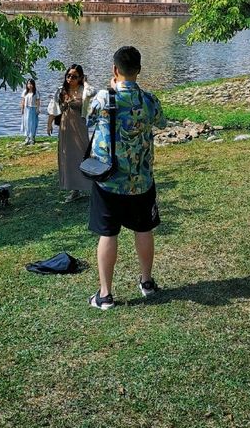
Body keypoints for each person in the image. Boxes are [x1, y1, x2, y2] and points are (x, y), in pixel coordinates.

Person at [86, 46, 167, 310]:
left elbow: (87, 120)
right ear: (139, 70)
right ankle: (146, 282)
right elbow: (162, 122)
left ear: (114, 70)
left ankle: (105, 295)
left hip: (109, 179)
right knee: (144, 229)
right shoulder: (148, 100)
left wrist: (110, 90)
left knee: (108, 234)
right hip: (141, 178)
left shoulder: (103, 98)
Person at [47, 64, 97, 203]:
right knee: (67, 155)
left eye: (74, 76)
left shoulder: (84, 90)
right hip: (65, 127)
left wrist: (85, 82)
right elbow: (53, 108)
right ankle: (74, 189)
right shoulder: (61, 91)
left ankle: (89, 185)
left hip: (80, 127)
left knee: (82, 154)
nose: (70, 79)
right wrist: (49, 124)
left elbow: (94, 92)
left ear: (80, 77)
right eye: (68, 75)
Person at [20, 79, 40, 144]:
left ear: (33, 85)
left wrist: (37, 109)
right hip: (26, 109)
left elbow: (38, 101)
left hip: (33, 109)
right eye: (28, 84)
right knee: (26, 123)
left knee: (33, 123)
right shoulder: (25, 92)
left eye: (31, 84)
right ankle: (27, 137)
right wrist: (22, 109)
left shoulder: (36, 92)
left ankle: (32, 138)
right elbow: (22, 101)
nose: (30, 85)